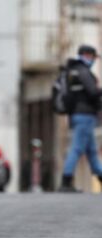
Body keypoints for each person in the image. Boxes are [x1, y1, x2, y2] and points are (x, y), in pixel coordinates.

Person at [59, 45, 102, 192]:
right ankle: (66, 180)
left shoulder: (72, 71)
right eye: (93, 57)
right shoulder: (83, 71)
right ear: (86, 55)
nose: (94, 61)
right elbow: (93, 92)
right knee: (77, 149)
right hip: (85, 115)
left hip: (78, 115)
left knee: (91, 151)